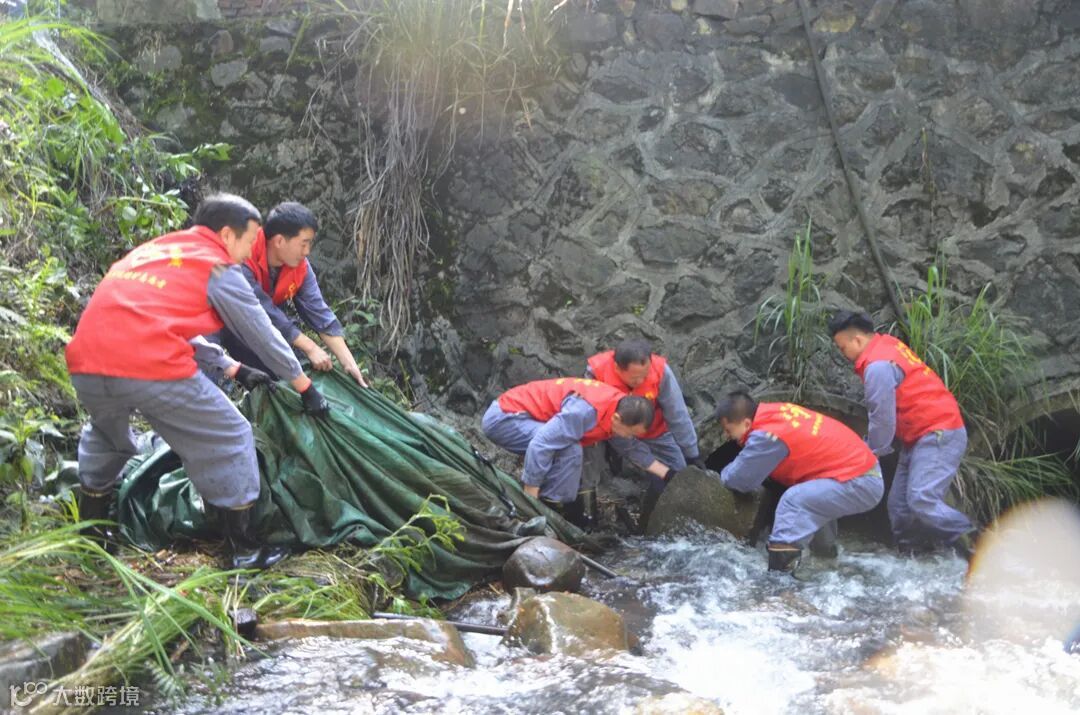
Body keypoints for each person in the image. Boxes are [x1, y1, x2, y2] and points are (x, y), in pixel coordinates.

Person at [65, 194, 331, 569]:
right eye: (249, 240)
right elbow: (261, 332)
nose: (249, 252)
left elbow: (151, 319)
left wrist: (231, 368)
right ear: (226, 234)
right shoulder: (217, 266)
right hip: (149, 365)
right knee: (231, 437)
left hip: (86, 363)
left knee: (108, 438)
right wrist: (304, 385)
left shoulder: (156, 251)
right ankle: (245, 550)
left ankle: (91, 535)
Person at [828, 310, 974, 558]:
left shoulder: (878, 367)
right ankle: (916, 557)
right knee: (899, 507)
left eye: (843, 348)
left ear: (857, 341)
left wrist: (869, 453)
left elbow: (882, 420)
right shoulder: (888, 345)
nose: (844, 355)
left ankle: (977, 543)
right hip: (919, 437)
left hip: (938, 432)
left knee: (921, 499)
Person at [712, 392, 884, 573]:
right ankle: (825, 561)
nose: (726, 436)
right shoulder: (776, 413)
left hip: (861, 481)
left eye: (728, 430)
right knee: (809, 496)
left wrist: (718, 474)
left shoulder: (767, 435)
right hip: (860, 472)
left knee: (794, 501)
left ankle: (779, 582)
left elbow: (739, 479)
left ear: (746, 423)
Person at [216, 201, 367, 385]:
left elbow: (318, 312)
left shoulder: (300, 265)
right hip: (232, 325)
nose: (307, 251)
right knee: (277, 376)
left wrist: (348, 362)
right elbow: (261, 311)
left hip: (272, 327)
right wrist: (310, 347)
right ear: (279, 241)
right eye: (303, 244)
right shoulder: (242, 256)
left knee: (300, 366)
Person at [481, 377, 654, 522]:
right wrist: (529, 499)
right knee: (569, 448)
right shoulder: (584, 411)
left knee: (570, 447)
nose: (629, 437)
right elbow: (539, 445)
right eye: (631, 433)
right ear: (617, 418)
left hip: (525, 417)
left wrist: (665, 472)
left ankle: (555, 507)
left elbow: (631, 448)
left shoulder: (619, 406)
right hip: (504, 418)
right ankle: (544, 507)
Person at [584, 339, 701, 506]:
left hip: (655, 430)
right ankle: (587, 509)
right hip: (612, 430)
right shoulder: (597, 374)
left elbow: (677, 414)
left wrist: (692, 453)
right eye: (635, 378)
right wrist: (657, 468)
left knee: (679, 475)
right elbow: (603, 422)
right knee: (587, 453)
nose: (641, 382)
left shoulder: (661, 371)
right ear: (617, 368)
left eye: (644, 376)